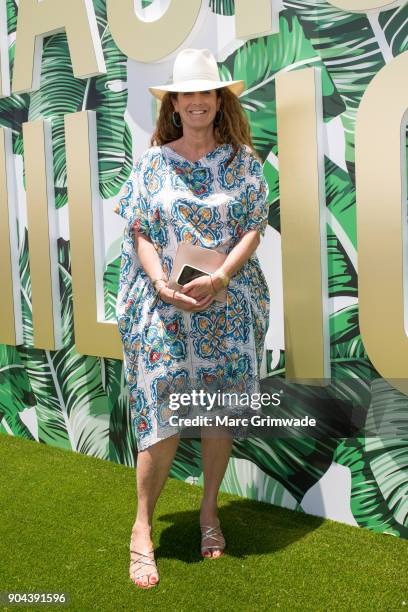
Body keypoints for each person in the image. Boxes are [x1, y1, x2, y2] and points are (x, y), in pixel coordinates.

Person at [113, 48, 271, 589]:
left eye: (208, 92)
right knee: (160, 414)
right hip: (163, 310)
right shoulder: (152, 161)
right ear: (175, 104)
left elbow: (254, 226)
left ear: (219, 101)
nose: (198, 101)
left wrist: (222, 277)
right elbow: (137, 228)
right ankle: (141, 528)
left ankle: (209, 512)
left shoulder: (245, 161)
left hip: (225, 308)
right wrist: (160, 281)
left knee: (217, 413)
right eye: (189, 93)